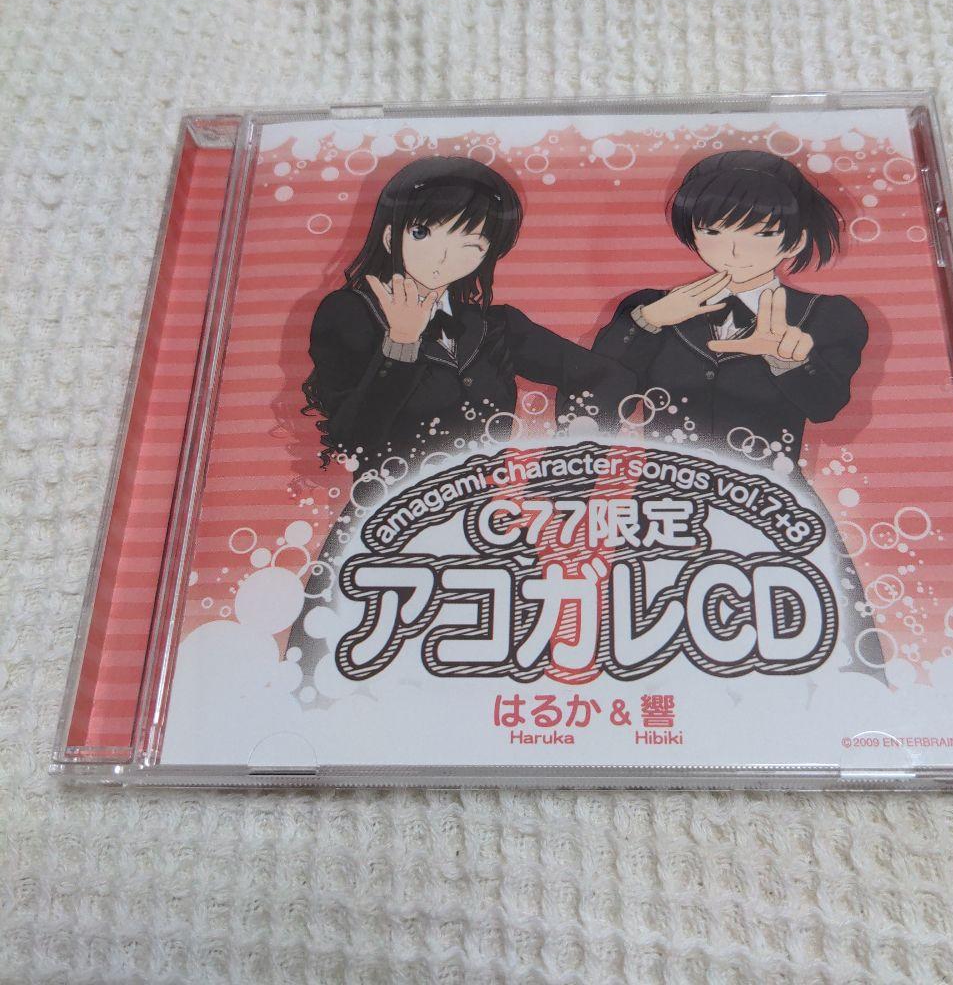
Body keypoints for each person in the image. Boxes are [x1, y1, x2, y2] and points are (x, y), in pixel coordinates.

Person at [592, 148, 880, 676]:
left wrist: (786, 361)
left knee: (810, 648)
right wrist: (650, 321)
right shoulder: (652, 307)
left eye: (759, 232)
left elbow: (827, 406)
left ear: (793, 241)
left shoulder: (827, 316)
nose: (733, 248)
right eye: (714, 230)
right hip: (661, 510)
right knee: (639, 648)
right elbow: (597, 394)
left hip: (769, 501)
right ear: (693, 233)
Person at [303, 155, 632, 464]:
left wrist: (570, 456)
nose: (443, 257)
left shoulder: (493, 326)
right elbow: (353, 440)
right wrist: (401, 343)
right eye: (422, 233)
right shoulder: (351, 314)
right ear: (391, 237)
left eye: (470, 244)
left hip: (482, 504)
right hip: (390, 504)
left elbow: (608, 377)